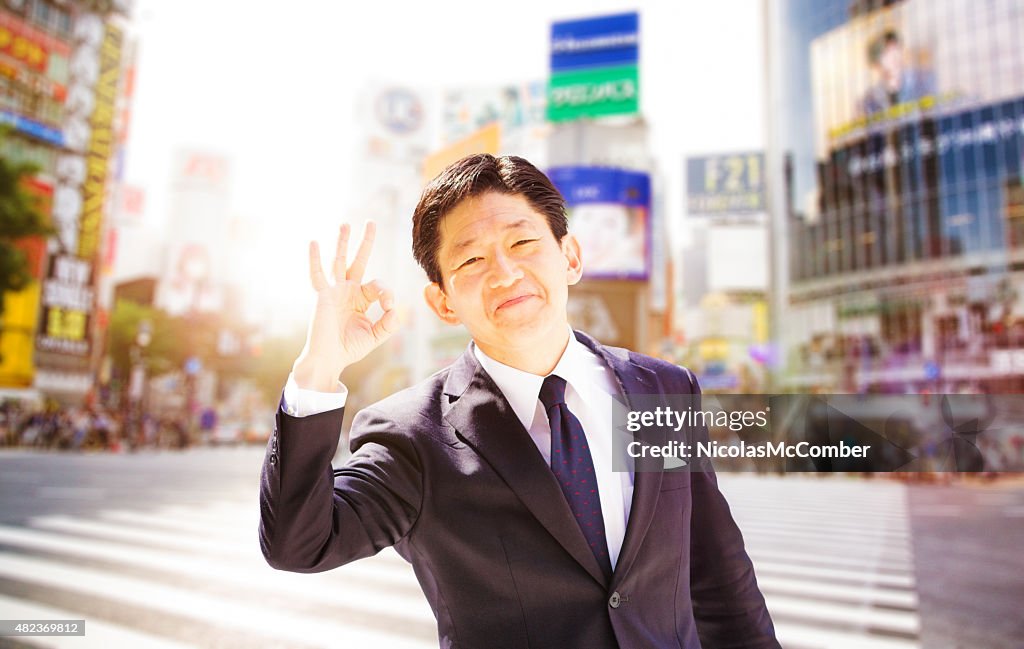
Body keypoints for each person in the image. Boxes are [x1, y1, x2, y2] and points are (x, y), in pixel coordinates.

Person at [258, 154, 778, 648]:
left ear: (569, 256)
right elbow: (299, 544)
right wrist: (319, 365)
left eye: (523, 242)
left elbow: (717, 571)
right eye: (472, 259)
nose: (505, 273)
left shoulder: (659, 390)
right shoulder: (414, 436)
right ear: (442, 301)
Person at [860, 29, 937, 118]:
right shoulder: (870, 100)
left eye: (896, 49)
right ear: (877, 63)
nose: (895, 56)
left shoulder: (923, 79)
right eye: (887, 53)